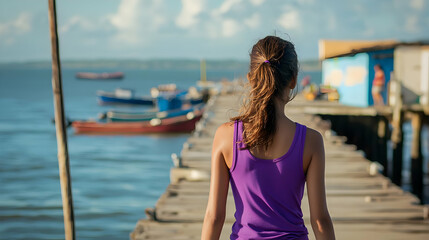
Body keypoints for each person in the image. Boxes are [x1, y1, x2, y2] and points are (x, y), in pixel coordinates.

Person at [201, 36, 335, 240]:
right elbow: (320, 220)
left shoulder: (226, 136)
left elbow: (214, 217)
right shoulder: (311, 141)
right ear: (293, 80)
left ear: (251, 78)